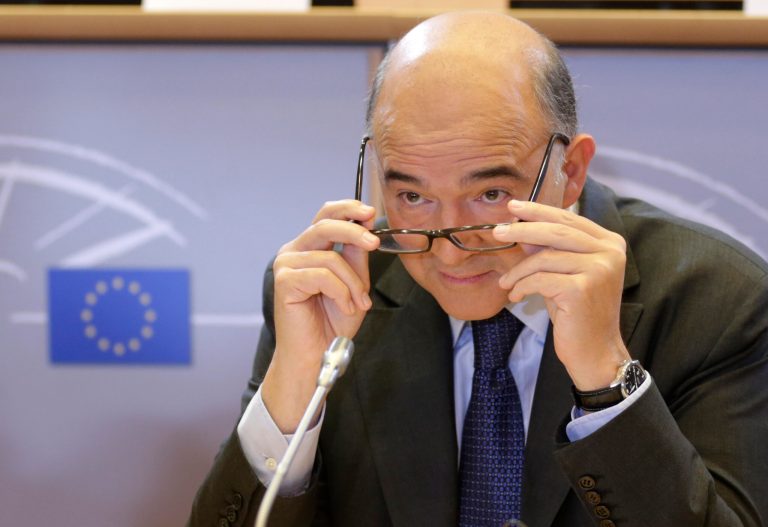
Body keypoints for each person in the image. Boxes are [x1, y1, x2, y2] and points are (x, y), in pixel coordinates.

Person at [188, 11, 768, 527]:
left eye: (490, 194)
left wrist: (606, 380)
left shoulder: (718, 300)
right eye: (412, 197)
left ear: (571, 171)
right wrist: (294, 393)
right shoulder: (334, 290)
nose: (450, 251)